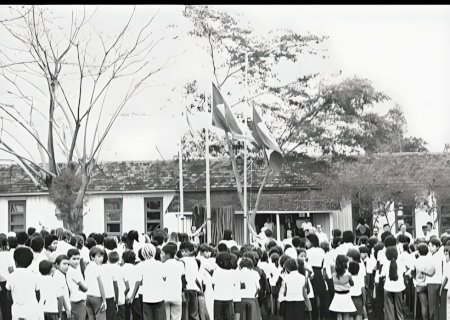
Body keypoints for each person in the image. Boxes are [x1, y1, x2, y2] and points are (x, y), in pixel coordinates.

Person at [130, 243, 166, 320]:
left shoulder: (140, 265)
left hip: (147, 297)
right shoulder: (160, 264)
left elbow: (138, 281)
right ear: (154, 252)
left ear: (143, 254)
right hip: (159, 296)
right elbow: (165, 278)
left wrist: (132, 296)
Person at [6, 247, 41, 320]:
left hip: (17, 311)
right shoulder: (34, 276)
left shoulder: (11, 276)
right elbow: (38, 295)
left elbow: (8, 295)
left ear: (15, 262)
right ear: (30, 262)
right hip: (32, 312)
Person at [381, 246, 406, 320]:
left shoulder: (385, 264)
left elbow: (382, 275)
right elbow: (404, 273)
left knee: (389, 310)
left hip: (388, 288)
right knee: (399, 309)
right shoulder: (401, 263)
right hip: (399, 288)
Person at [329, 254, 356, 320]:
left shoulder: (334, 275)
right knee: (346, 314)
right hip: (346, 295)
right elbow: (352, 284)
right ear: (345, 264)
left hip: (337, 295)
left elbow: (332, 265)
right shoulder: (348, 275)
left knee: (338, 315)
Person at [161, 242, 184, 320]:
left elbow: (162, 278)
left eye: (162, 253)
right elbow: (182, 276)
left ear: (167, 255)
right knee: (176, 317)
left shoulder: (163, 265)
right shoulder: (180, 264)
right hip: (177, 295)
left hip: (165, 295)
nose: (161, 255)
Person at [212, 251, 238, 320]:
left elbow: (213, 283)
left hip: (217, 298)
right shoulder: (233, 272)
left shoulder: (216, 271)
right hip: (229, 298)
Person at [85, 246, 107, 320]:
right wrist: (104, 300)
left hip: (88, 296)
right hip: (96, 296)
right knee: (101, 317)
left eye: (102, 257)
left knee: (91, 317)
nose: (101, 259)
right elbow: (100, 285)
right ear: (92, 257)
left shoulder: (87, 267)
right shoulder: (96, 267)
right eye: (99, 256)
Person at [67, 248, 88, 320]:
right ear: (68, 259)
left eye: (78, 259)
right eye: (74, 259)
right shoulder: (73, 271)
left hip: (74, 300)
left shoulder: (70, 270)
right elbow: (85, 288)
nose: (76, 261)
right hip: (78, 301)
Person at [53, 254, 72, 320]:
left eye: (68, 264)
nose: (67, 266)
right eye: (64, 264)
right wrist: (67, 309)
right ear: (57, 265)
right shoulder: (58, 275)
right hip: (63, 310)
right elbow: (60, 295)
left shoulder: (62, 275)